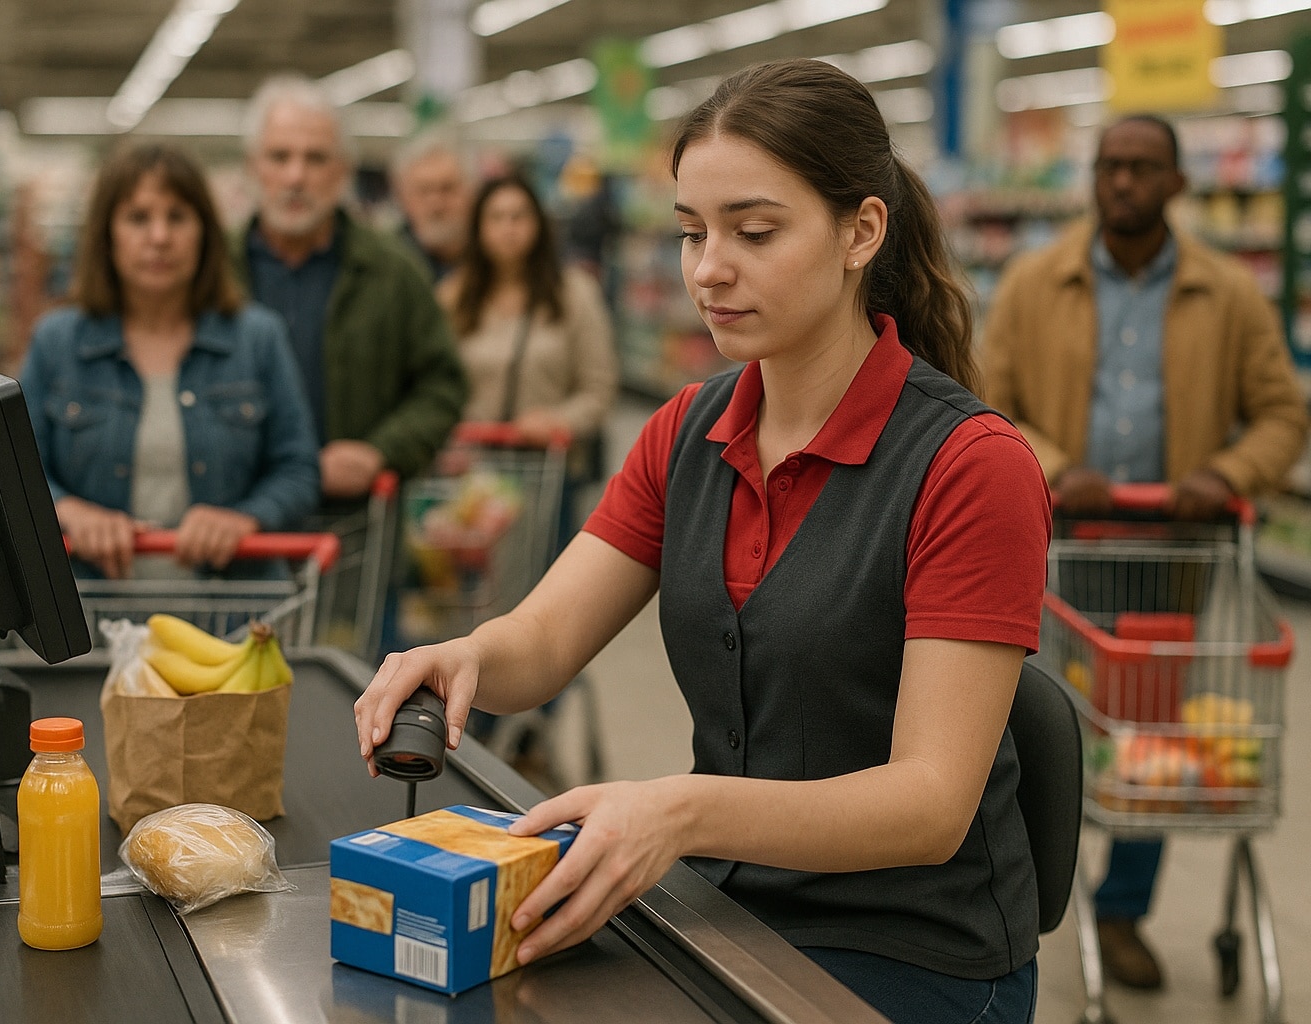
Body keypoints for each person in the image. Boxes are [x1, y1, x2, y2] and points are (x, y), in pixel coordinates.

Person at [357, 58, 1051, 1024]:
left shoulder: (969, 467)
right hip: (729, 910)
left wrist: (681, 810)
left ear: (862, 231)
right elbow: (546, 642)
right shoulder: (689, 430)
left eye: (753, 232)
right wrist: (466, 655)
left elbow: (930, 805)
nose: (707, 268)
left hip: (911, 951)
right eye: (691, 233)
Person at [982, 114, 1309, 990]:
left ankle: (1122, 910)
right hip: (1057, 548)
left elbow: (1284, 413)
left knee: (1147, 740)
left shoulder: (1229, 294)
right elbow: (985, 401)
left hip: (1174, 556)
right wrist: (1054, 467)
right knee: (1038, 727)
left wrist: (1226, 473)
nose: (1120, 180)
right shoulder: (1031, 282)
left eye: (1140, 167)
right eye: (1108, 165)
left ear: (1176, 184)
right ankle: (1025, 892)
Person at [20, 143, 319, 581]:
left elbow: (298, 470)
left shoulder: (258, 339)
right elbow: (15, 473)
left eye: (177, 217)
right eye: (138, 218)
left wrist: (245, 518)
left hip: (233, 614)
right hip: (90, 615)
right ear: (107, 235)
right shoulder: (56, 342)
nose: (159, 236)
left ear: (205, 233)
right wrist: (68, 510)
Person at [237, 76, 468, 501]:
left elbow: (442, 386)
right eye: (279, 156)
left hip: (354, 527)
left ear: (343, 170)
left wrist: (380, 451)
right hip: (235, 523)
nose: (296, 176)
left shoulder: (393, 272)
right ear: (253, 166)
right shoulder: (212, 271)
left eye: (316, 159)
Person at [438, 173, 618, 486]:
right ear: (478, 228)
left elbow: (599, 388)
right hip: (469, 474)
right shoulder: (452, 297)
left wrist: (558, 421)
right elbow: (435, 384)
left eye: (519, 216)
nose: (508, 228)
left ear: (539, 224)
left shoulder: (574, 293)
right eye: (496, 217)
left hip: (547, 473)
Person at [391, 130, 475, 283]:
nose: (436, 204)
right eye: (424, 190)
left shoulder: (497, 257)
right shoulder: (385, 261)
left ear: (473, 192)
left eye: (447, 188)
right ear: (403, 197)